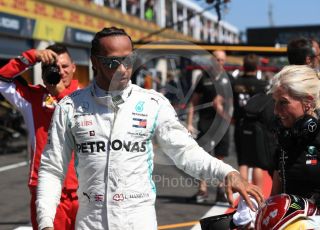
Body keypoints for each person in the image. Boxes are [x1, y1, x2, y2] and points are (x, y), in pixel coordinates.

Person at [36, 27, 264, 230]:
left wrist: (227, 173)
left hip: (138, 220)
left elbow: (185, 152)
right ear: (94, 62)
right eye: (112, 62)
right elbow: (52, 169)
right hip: (90, 221)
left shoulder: (153, 104)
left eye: (128, 60)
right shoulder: (70, 107)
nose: (123, 69)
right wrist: (46, 222)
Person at [0, 44, 79, 230]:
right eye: (52, 67)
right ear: (43, 72)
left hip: (85, 190)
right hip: (45, 189)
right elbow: (2, 80)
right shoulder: (32, 97)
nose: (60, 71)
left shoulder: (87, 97)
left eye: (64, 66)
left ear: (74, 67)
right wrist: (32, 56)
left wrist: (61, 94)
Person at [270, 65, 320, 229]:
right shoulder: (284, 138)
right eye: (275, 102)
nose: (276, 111)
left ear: (308, 102)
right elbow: (275, 196)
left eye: (283, 102)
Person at [187, 50, 233, 203]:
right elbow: (193, 102)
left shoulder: (230, 80)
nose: (219, 62)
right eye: (217, 59)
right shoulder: (204, 78)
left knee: (220, 159)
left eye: (222, 60)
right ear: (212, 61)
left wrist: (221, 106)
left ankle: (220, 190)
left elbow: (234, 104)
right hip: (205, 123)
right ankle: (202, 190)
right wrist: (189, 122)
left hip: (222, 124)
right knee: (203, 158)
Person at [232, 54, 268, 189]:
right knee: (257, 164)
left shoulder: (235, 83)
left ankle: (244, 196)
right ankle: (258, 196)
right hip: (257, 126)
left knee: (243, 162)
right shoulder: (262, 85)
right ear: (256, 67)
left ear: (244, 65)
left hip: (240, 124)